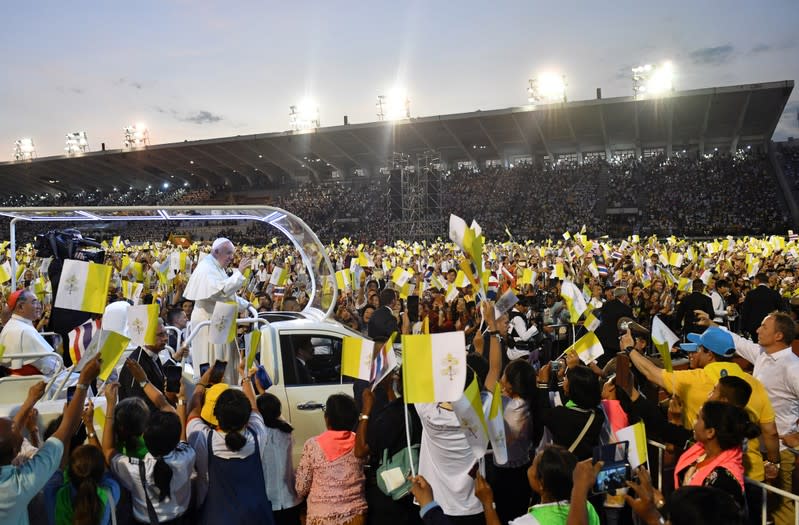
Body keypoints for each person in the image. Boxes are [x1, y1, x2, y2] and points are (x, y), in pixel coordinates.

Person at [625, 326, 780, 484]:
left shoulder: (694, 379)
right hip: (752, 474)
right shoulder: (753, 383)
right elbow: (771, 431)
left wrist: (629, 349)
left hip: (707, 473)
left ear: (710, 354)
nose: (695, 352)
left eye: (699, 348)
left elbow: (651, 372)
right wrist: (773, 463)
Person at [713, 310, 799, 525]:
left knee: (780, 508)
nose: (758, 329)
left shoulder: (793, 367)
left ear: (778, 336)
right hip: (754, 448)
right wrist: (710, 322)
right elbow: (737, 341)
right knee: (760, 507)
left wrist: (797, 435)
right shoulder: (761, 353)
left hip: (778, 451)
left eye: (764, 327)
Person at [0, 356, 100, 525]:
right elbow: (66, 429)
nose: (19, 429)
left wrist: (30, 401)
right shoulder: (20, 485)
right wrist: (84, 381)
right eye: (19, 435)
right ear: (14, 452)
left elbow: (9, 434)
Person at [187, 360, 275, 525]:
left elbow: (193, 411)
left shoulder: (203, 439)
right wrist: (244, 377)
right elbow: (254, 406)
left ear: (216, 415)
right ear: (247, 418)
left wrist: (202, 382)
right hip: (256, 517)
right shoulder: (257, 435)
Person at [103, 368, 194, 524]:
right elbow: (166, 407)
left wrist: (111, 405)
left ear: (144, 435)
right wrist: (180, 399)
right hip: (184, 519)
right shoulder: (188, 455)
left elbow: (108, 450)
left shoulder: (132, 468)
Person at [476, 444, 601, 525]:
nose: (529, 469)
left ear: (541, 484)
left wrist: (488, 504)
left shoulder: (530, 522)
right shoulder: (587, 507)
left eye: (533, 466)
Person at [183, 237, 251, 383]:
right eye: (228, 253)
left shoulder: (216, 267)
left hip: (218, 323)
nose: (231, 257)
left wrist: (247, 305)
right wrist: (238, 273)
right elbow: (218, 293)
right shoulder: (206, 268)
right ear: (216, 252)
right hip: (208, 324)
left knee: (224, 362)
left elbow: (226, 295)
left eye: (232, 253)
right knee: (214, 365)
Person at [295, 393, 368, 525]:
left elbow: (301, 488)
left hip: (320, 518)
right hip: (355, 517)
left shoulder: (312, 445)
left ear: (326, 419)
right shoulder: (359, 444)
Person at [673, 401, 760, 510]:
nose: (694, 422)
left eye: (698, 418)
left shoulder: (724, 481)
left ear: (710, 432)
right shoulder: (700, 452)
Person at [536, 362, 604, 461]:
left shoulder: (560, 415)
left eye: (566, 379)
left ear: (572, 388)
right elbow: (570, 403)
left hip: (564, 469)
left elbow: (543, 412)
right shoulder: (598, 414)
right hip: (583, 467)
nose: (564, 380)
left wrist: (543, 383)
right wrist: (560, 379)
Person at [43, 444, 121, 525]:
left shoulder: (54, 494)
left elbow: (57, 467)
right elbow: (105, 473)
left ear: (69, 473)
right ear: (100, 474)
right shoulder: (111, 491)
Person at [256, 392, 302, 525]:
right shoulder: (286, 431)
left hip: (270, 500)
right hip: (291, 499)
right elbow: (277, 416)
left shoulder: (260, 435)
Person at [0, 289, 60, 375]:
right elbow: (48, 367)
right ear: (21, 307)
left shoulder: (14, 324)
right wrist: (62, 368)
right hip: (38, 380)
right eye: (34, 302)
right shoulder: (24, 330)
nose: (39, 306)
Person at [119, 322, 171, 410]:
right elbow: (138, 405)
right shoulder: (136, 365)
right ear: (146, 337)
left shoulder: (154, 355)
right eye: (160, 335)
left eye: (166, 333)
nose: (165, 338)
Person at [593, 288, 633, 368]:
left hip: (603, 339)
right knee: (613, 366)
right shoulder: (627, 309)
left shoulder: (606, 304)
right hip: (615, 342)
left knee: (602, 363)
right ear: (624, 296)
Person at [741, 273, 785, 341]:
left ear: (757, 280)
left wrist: (743, 328)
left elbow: (745, 311)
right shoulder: (774, 293)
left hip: (753, 327)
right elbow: (782, 310)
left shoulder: (751, 294)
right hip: (769, 326)